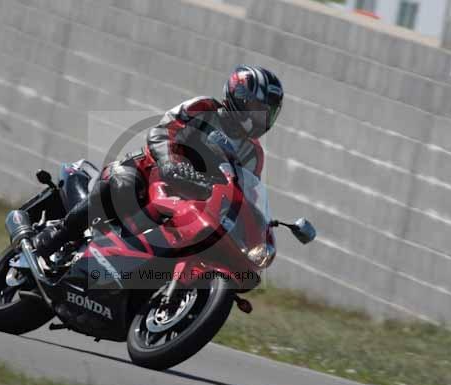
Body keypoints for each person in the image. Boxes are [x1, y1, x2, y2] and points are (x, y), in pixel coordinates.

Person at [33, 65, 284, 257]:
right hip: (154, 171)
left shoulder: (253, 154)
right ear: (238, 97)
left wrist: (255, 222)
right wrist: (169, 162)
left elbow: (244, 192)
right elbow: (162, 131)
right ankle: (60, 233)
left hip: (196, 203)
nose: (260, 118)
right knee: (122, 183)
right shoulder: (204, 108)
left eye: (267, 113)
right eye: (256, 108)